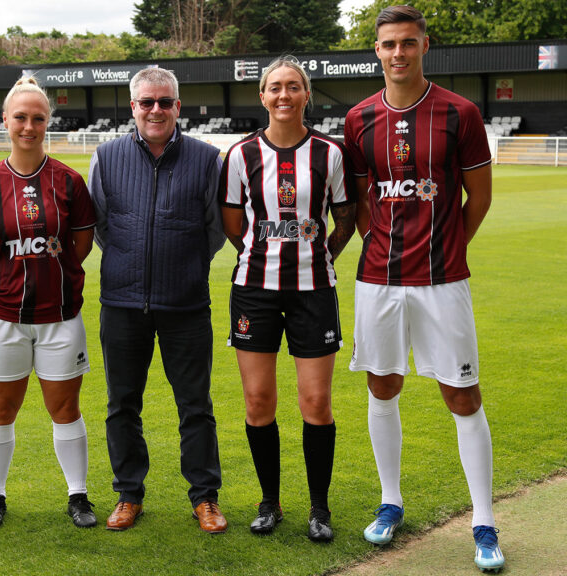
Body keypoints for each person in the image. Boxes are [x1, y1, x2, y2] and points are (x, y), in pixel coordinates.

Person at [343, 5, 504, 572]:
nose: (398, 53)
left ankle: (483, 520)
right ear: (378, 50)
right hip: (378, 281)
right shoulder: (359, 118)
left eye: (408, 43)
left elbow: (478, 198)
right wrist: (378, 241)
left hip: (443, 280)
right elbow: (362, 199)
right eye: (388, 44)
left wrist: (452, 245)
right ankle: (391, 502)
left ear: (424, 46)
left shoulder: (460, 113)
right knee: (382, 386)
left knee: (462, 394)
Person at [219, 56, 356, 543]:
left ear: (306, 94)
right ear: (262, 96)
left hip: (314, 291)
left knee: (316, 401)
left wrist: (320, 255)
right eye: (274, 87)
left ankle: (319, 507)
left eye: (293, 87)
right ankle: (269, 502)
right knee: (259, 402)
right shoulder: (239, 155)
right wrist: (263, 255)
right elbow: (234, 226)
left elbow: (346, 218)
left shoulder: (330, 154)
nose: (283, 95)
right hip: (254, 290)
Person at [87, 67, 228, 534]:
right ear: (133, 107)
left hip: (186, 304)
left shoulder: (208, 159)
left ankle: (204, 497)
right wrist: (133, 262)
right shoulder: (106, 158)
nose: (156, 110)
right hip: (122, 304)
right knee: (122, 404)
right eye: (146, 102)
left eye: (165, 102)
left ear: (177, 107)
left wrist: (180, 264)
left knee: (196, 406)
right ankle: (129, 495)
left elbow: (214, 230)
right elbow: (102, 227)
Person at [0, 77, 97, 531]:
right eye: (20, 117)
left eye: (38, 118)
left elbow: (81, 244)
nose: (29, 126)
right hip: (4, 316)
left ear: (47, 123)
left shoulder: (70, 180)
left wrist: (51, 274)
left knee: (66, 409)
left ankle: (77, 496)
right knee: (0, 408)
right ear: (5, 120)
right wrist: (7, 276)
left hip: (60, 317)